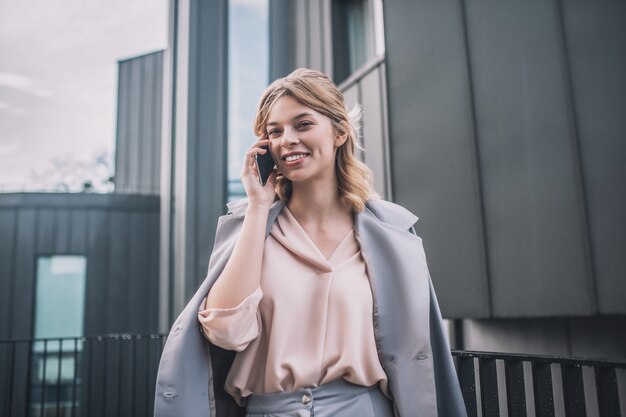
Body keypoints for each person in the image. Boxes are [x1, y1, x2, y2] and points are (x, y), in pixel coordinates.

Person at [154, 69, 467, 417]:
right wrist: (258, 206)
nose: (287, 139)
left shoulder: (391, 231)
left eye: (302, 124)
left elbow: (422, 353)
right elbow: (225, 332)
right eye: (275, 131)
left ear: (339, 131)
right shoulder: (251, 228)